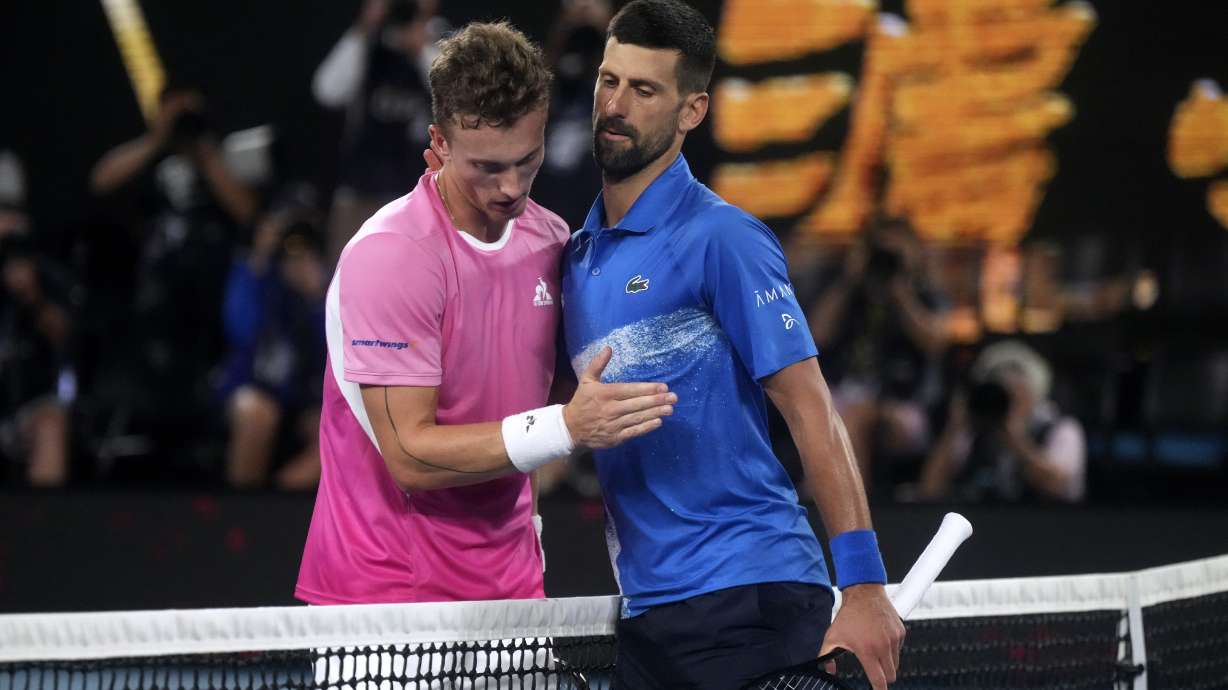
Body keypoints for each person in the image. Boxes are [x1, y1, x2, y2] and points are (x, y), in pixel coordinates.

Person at [559, 2, 904, 688]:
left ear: (692, 111)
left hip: (753, 600)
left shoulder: (725, 238)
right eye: (608, 80)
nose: (616, 105)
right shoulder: (574, 259)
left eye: (645, 89)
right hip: (654, 618)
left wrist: (863, 585)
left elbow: (811, 409)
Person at [296, 21, 676, 605]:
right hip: (385, 602)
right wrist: (566, 427)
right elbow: (412, 457)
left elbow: (559, 390)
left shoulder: (552, 239)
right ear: (439, 144)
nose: (510, 187)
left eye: (526, 161)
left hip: (512, 593)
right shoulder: (394, 256)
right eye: (486, 167)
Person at [807, 217, 949, 491]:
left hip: (905, 407)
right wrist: (850, 281)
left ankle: (842, 510)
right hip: (840, 395)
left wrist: (900, 290)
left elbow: (935, 342)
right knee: (810, 409)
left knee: (854, 417)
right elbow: (816, 336)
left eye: (895, 252)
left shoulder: (925, 295)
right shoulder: (848, 294)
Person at [313, 0, 436, 261]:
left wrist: (420, 48)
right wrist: (364, 28)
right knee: (347, 281)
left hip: (410, 197)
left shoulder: (436, 42)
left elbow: (454, 97)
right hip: (357, 194)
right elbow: (327, 91)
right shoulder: (368, 42)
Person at [219, 196, 328, 490]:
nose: (295, 251)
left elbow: (335, 353)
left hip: (304, 395)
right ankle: (240, 514)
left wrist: (317, 297)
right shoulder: (254, 274)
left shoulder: (322, 284)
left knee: (339, 429)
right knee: (258, 413)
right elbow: (241, 331)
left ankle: (270, 508)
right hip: (252, 386)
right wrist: (261, 260)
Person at [912, 340, 1087, 503]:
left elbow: (1058, 486)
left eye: (1017, 391)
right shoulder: (976, 433)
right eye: (1003, 390)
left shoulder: (1062, 429)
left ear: (1034, 391)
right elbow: (930, 489)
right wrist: (955, 426)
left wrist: (1015, 439)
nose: (1009, 399)